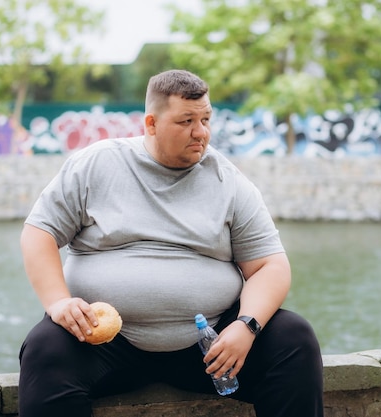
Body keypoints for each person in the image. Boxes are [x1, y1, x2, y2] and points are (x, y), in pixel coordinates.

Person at [18, 69, 324, 417]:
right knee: (45, 347)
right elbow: (38, 233)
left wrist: (247, 325)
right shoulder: (95, 164)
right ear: (151, 123)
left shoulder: (230, 181)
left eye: (206, 119)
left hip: (210, 348)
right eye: (186, 121)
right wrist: (58, 303)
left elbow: (270, 266)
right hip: (103, 344)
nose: (201, 132)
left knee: (294, 338)